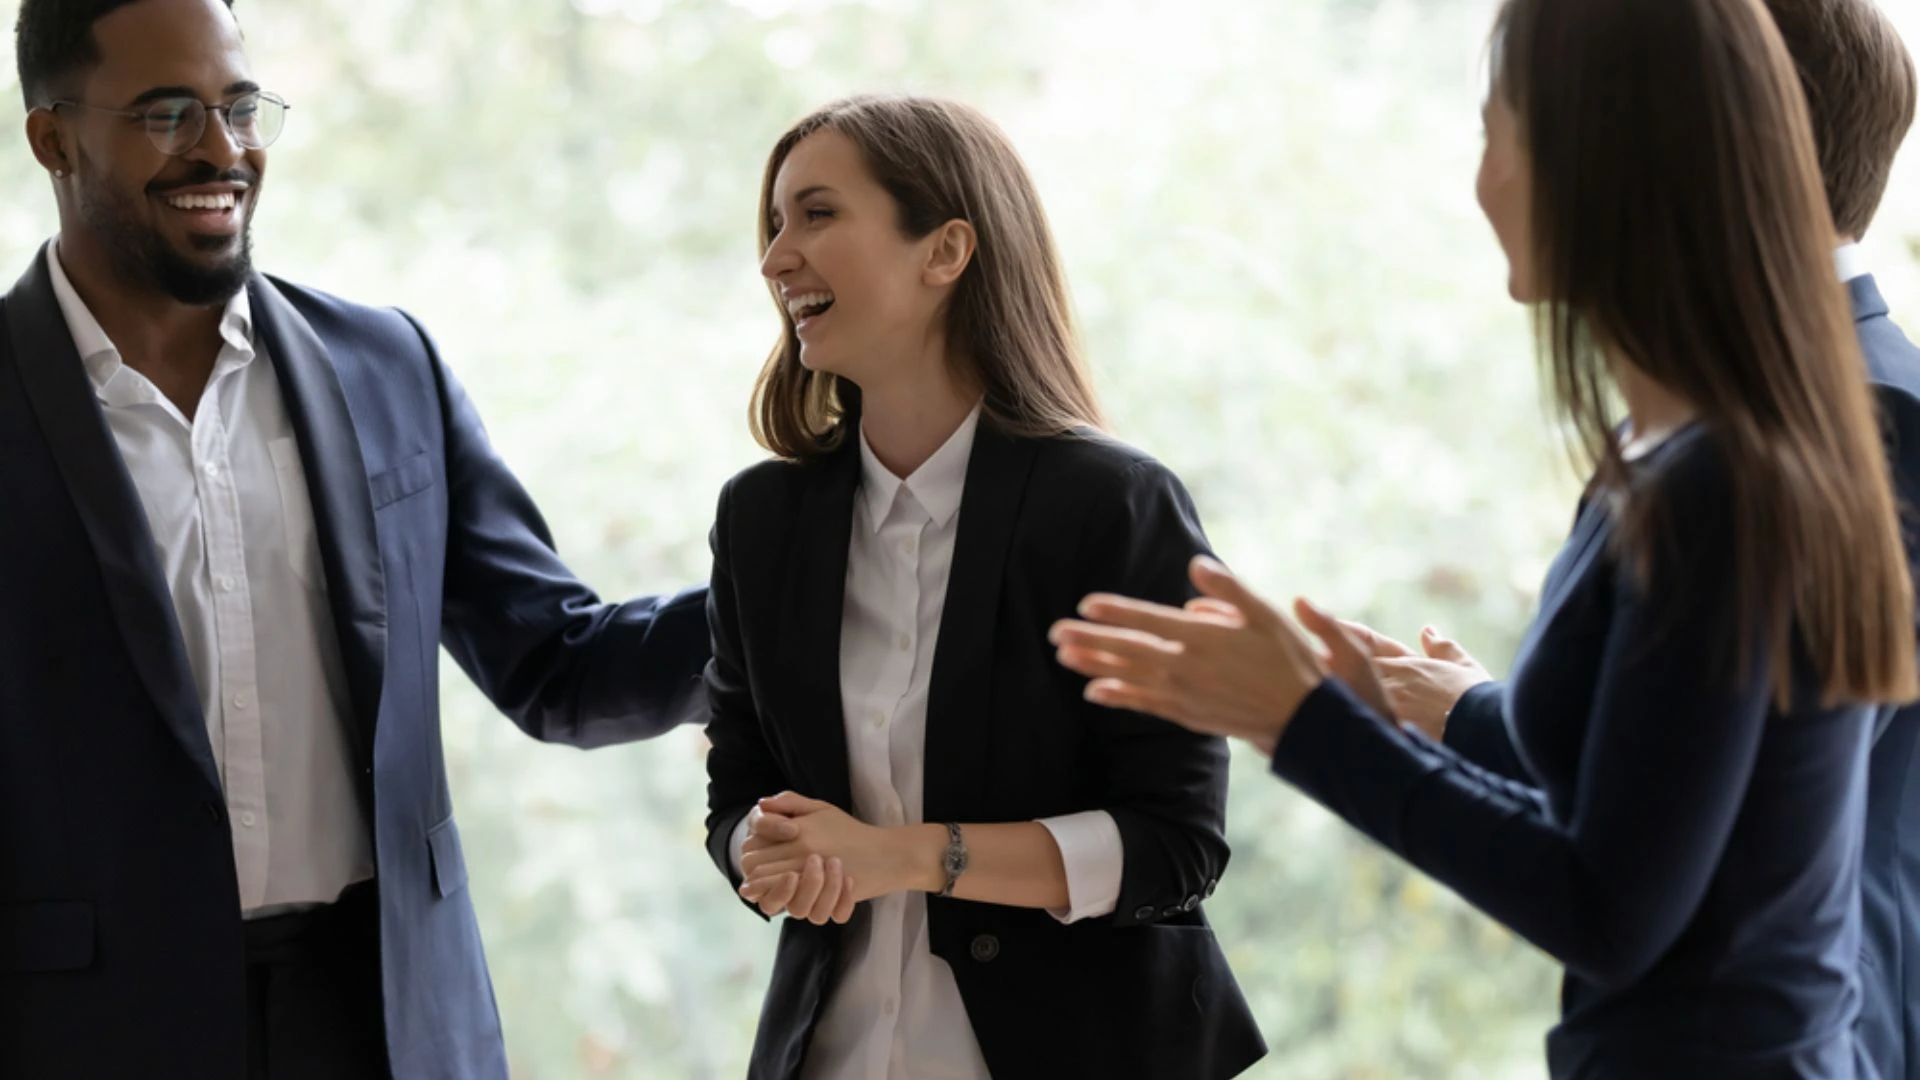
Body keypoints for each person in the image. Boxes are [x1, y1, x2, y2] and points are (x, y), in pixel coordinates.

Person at [1051, 0, 1918, 1074]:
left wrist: (1304, 720)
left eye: (1494, 133)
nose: (1481, 183)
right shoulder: (1685, 454)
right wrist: (1393, 716)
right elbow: (1649, 820)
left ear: (1602, 160)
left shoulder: (1727, 482)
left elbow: (1608, 907)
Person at [0, 1, 710, 1077]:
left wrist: (809, 587)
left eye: (240, 107)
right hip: (86, 1034)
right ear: (52, 136)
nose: (222, 149)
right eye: (167, 113)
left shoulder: (386, 368)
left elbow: (558, 665)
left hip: (388, 1017)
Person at [1347, 2, 1920, 1072]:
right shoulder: (1691, 417)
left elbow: (1742, 798)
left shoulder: (1871, 418)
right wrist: (1487, 715)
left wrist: (1414, 723)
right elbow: (1683, 747)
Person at [701, 94, 1265, 1080]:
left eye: (818, 213)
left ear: (946, 250)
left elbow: (1175, 845)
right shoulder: (762, 521)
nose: (776, 257)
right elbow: (736, 794)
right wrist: (760, 844)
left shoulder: (1113, 508)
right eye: (775, 223)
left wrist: (906, 856)